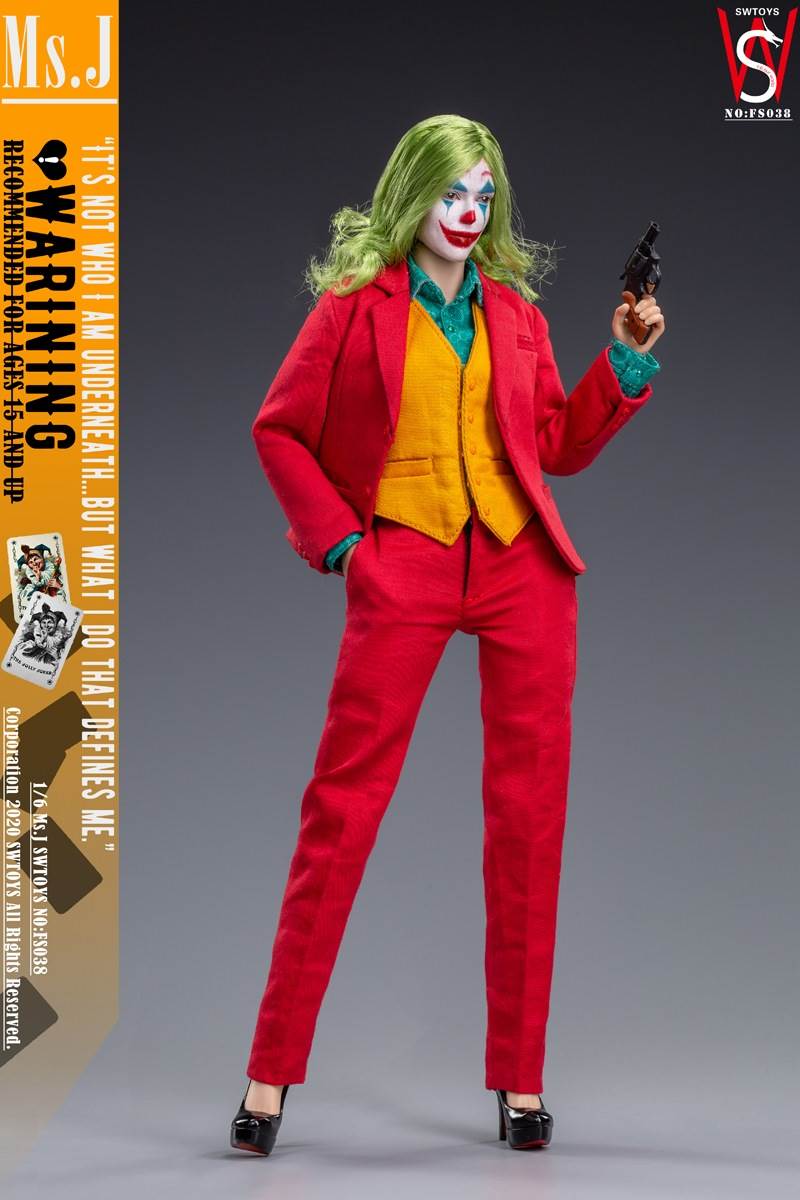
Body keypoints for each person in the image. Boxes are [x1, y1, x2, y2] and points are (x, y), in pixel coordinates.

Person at [230, 113, 665, 1156]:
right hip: (404, 558)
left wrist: (622, 363)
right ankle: (268, 1075)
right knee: (341, 811)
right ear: (410, 196)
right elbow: (278, 429)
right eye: (449, 194)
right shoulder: (354, 308)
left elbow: (552, 443)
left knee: (529, 823)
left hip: (521, 565)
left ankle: (521, 1082)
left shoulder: (514, 313)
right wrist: (345, 546)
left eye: (483, 196)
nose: (467, 214)